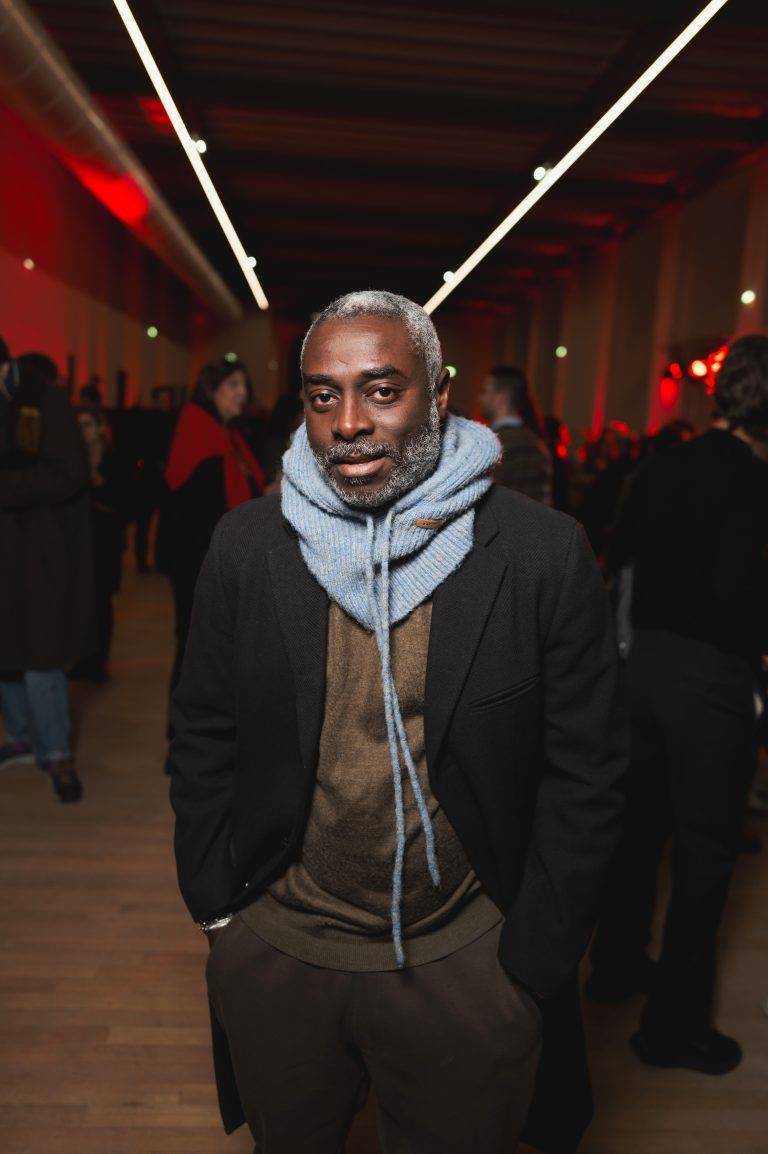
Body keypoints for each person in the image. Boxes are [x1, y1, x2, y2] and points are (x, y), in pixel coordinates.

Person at [169, 291, 627, 1154]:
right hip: (280, 948)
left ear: (439, 394)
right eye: (322, 395)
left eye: (382, 390)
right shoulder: (247, 545)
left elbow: (590, 768)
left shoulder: (539, 553)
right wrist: (217, 908)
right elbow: (201, 729)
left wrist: (535, 957)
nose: (348, 421)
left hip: (465, 955)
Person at [588, 335, 768, 1074]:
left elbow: (618, 554)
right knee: (704, 855)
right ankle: (672, 1029)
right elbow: (734, 592)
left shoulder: (662, 465)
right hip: (711, 678)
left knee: (638, 830)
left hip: (644, 668)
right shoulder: (756, 484)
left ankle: (617, 965)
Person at [0, 351, 91, 802]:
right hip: (11, 548)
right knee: (9, 650)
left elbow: (70, 474)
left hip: (39, 550)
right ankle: (21, 737)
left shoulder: (43, 400)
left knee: (40, 652)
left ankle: (55, 751)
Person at [163, 359, 263, 751]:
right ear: (211, 389)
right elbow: (203, 514)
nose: (243, 393)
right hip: (198, 563)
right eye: (233, 384)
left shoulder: (224, 432)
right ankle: (183, 739)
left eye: (244, 385)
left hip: (209, 558)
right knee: (195, 648)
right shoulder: (201, 433)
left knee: (205, 648)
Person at [71, 407, 127, 682]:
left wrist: (93, 473)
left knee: (102, 600)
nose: (84, 431)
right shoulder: (68, 459)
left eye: (88, 424)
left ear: (100, 428)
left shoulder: (113, 460)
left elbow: (121, 501)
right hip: (80, 542)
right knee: (81, 600)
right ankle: (81, 656)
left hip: (105, 540)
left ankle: (99, 659)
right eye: (79, 425)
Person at [477, 364, 552, 505]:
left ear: (501, 398)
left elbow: (485, 502)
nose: (480, 399)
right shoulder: (536, 442)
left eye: (484, 391)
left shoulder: (495, 445)